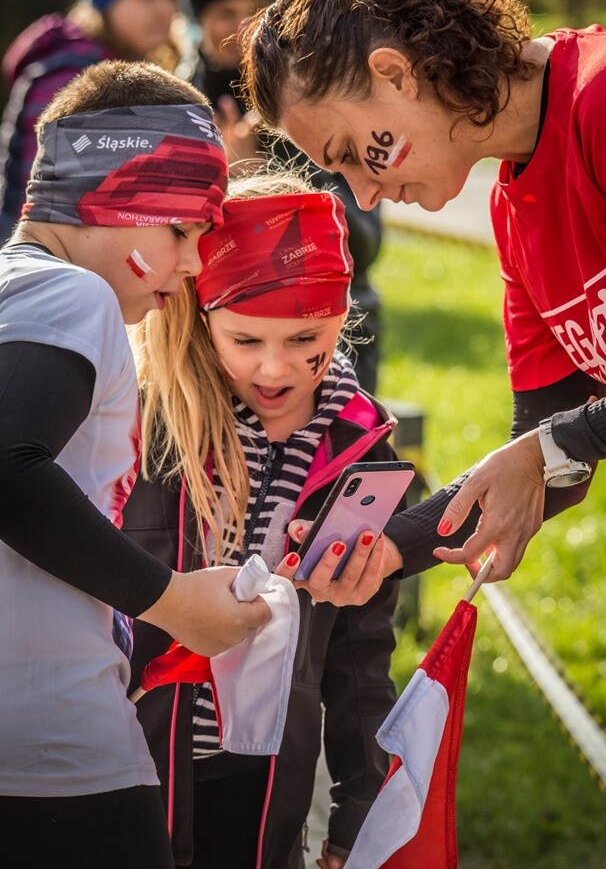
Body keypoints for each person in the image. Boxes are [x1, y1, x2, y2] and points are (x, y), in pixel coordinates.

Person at [240, 0, 606, 867]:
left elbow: (554, 447)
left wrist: (554, 447)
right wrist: (386, 551)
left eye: (354, 151)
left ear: (395, 74)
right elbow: (546, 463)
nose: (359, 191)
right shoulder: (516, 205)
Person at [0, 59, 276, 869]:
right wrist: (170, 602)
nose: (193, 266)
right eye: (182, 230)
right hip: (56, 752)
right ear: (113, 200)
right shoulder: (69, 295)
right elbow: (10, 467)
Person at [123, 171, 403, 869]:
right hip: (126, 769)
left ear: (342, 317)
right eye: (245, 340)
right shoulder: (140, 424)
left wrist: (360, 808)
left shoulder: (359, 450)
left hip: (260, 783)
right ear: (199, 311)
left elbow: (359, 654)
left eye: (305, 337)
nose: (275, 369)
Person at [178, 0, 384, 393]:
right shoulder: (175, 105)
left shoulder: (314, 96)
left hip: (326, 341)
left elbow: (364, 238)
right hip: (210, 344)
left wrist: (258, 186)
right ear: (196, 15)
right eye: (224, 12)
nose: (242, 31)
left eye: (256, 10)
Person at [0, 0, 180, 245]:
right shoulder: (68, 80)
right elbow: (42, 208)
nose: (164, 8)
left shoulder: (131, 67)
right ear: (103, 0)